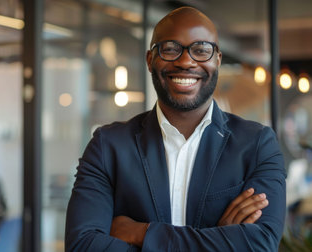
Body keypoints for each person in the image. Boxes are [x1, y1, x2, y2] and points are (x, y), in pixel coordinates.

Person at [65, 6, 286, 251]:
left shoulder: (257, 144)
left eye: (201, 50)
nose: (185, 61)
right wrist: (219, 238)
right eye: (170, 49)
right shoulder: (108, 146)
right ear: (150, 60)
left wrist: (143, 233)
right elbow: (82, 245)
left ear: (218, 60)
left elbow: (261, 244)